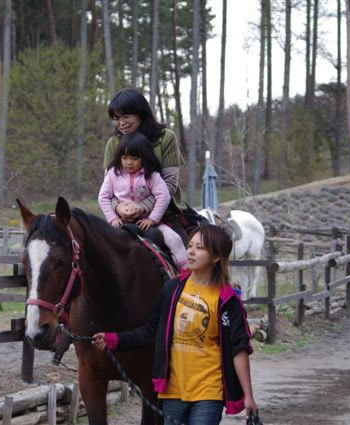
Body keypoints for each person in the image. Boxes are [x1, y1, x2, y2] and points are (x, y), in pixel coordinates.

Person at [92, 224, 258, 425]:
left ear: (216, 257)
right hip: (172, 392)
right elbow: (152, 330)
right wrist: (114, 339)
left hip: (209, 392)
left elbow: (238, 349)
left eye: (200, 247)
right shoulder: (172, 288)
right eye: (190, 246)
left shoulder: (227, 300)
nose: (191, 251)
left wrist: (248, 395)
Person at [104, 88, 190, 243]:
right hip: (122, 216)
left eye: (126, 116)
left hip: (164, 213)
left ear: (141, 113)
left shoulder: (166, 138)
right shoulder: (113, 143)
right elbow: (108, 186)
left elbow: (170, 183)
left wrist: (142, 207)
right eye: (116, 118)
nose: (121, 123)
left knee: (187, 248)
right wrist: (118, 208)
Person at [98, 132, 188, 269]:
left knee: (174, 239)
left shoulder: (151, 175)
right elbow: (103, 197)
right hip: (120, 221)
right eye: (124, 158)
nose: (128, 162)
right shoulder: (113, 174)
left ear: (144, 158)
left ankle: (186, 274)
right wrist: (112, 219)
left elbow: (164, 196)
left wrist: (152, 219)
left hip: (148, 222)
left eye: (134, 158)